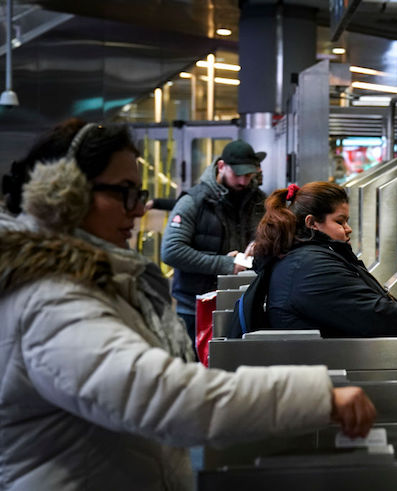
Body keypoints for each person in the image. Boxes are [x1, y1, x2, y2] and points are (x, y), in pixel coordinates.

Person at [0, 120, 375, 490]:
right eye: (124, 192)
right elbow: (161, 394)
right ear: (65, 197)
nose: (138, 208)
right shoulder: (51, 300)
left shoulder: (96, 283)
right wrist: (313, 396)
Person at [247, 181, 397, 337]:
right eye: (340, 221)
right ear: (312, 223)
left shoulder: (307, 257)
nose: (348, 229)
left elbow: (362, 305)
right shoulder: (313, 267)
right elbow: (375, 315)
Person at [161, 139, 267, 347]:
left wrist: (261, 243)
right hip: (195, 308)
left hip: (241, 305)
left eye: (249, 175)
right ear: (221, 167)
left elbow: (266, 234)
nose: (244, 182)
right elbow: (172, 251)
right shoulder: (194, 201)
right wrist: (226, 265)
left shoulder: (258, 200)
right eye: (238, 175)